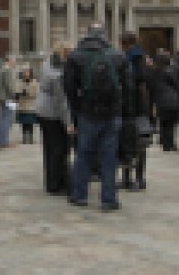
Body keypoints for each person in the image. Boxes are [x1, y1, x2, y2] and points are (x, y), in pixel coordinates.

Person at [66, 24, 129, 212]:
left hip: (87, 112)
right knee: (109, 157)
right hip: (111, 114)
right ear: (105, 36)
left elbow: (69, 88)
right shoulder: (118, 56)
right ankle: (108, 199)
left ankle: (80, 195)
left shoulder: (76, 56)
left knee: (83, 154)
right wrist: (120, 108)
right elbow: (129, 86)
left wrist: (76, 110)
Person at [36, 45, 73, 195]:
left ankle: (51, 181)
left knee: (49, 148)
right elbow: (61, 102)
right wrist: (68, 122)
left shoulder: (47, 64)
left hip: (42, 110)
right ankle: (55, 184)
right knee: (59, 149)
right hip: (52, 113)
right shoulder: (58, 75)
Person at [119, 32, 149, 191]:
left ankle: (138, 178)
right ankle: (127, 177)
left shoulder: (136, 59)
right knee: (127, 142)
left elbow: (141, 80)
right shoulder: (130, 58)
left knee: (138, 144)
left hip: (136, 108)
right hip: (130, 107)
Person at [149, 52, 179, 152]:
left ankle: (165, 143)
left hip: (160, 100)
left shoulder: (154, 73)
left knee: (163, 122)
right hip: (172, 100)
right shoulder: (170, 72)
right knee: (170, 124)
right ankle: (170, 143)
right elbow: (177, 85)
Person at [0, 56, 17, 149]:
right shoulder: (7, 71)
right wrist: (15, 94)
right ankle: (4, 142)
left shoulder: (1, 70)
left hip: (1, 98)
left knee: (3, 119)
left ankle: (2, 140)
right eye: (14, 62)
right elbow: (9, 86)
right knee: (8, 119)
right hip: (8, 98)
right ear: (9, 61)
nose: (14, 64)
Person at [16, 66, 39, 144]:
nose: (25, 73)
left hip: (31, 106)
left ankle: (30, 137)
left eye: (27, 71)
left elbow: (37, 93)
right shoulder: (20, 81)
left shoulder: (34, 82)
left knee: (30, 123)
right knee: (24, 123)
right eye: (24, 72)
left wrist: (29, 93)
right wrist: (19, 93)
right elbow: (17, 90)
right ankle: (24, 138)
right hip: (22, 105)